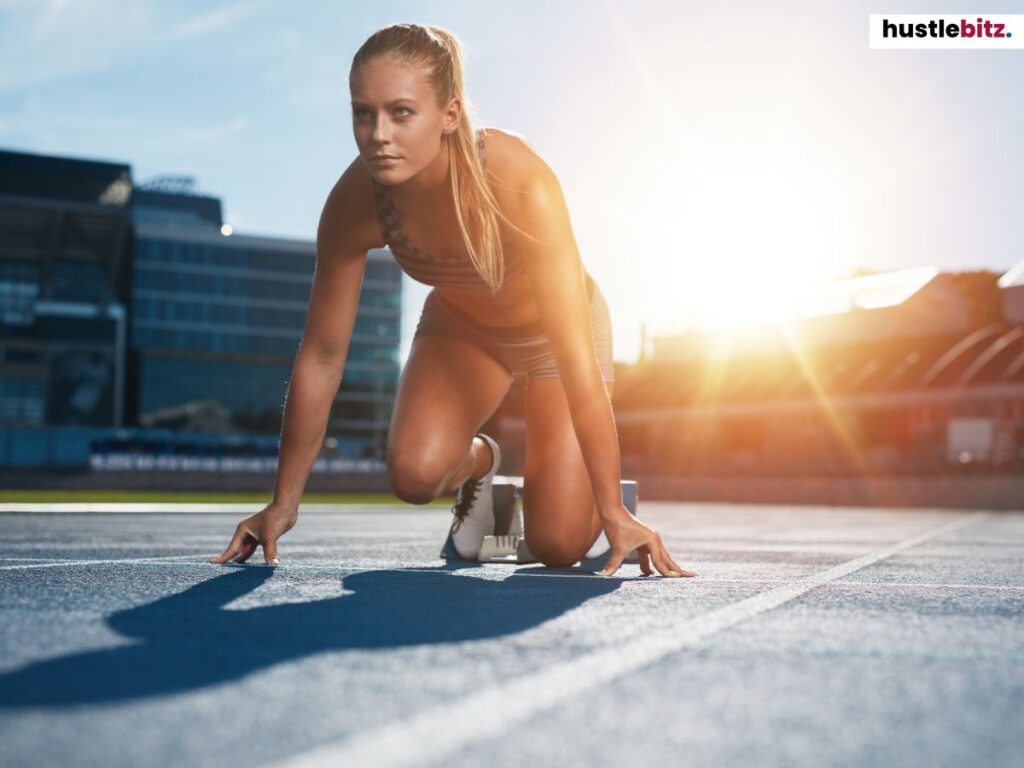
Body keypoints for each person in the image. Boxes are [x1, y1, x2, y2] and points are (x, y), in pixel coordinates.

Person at [210, 23, 695, 578]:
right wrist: (283, 503)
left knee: (558, 544)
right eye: (362, 114)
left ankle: (596, 497)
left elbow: (576, 360)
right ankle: (483, 463)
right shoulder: (353, 204)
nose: (377, 135)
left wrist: (609, 509)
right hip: (464, 331)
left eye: (400, 112)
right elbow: (321, 356)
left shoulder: (518, 181)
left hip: (556, 342)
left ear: (450, 114)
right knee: (413, 476)